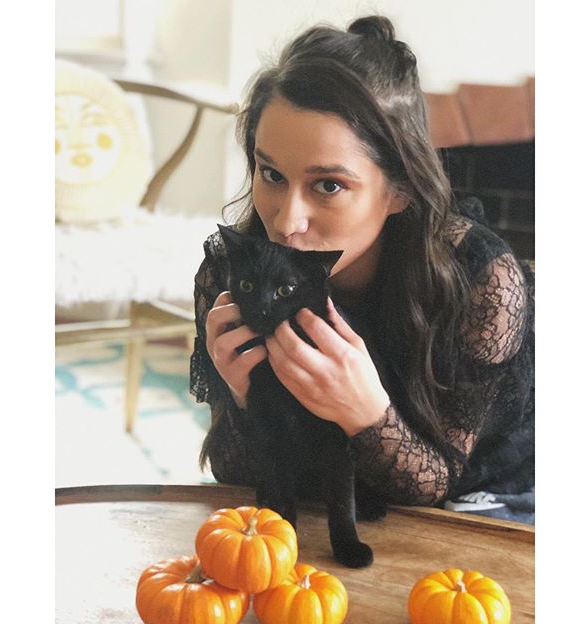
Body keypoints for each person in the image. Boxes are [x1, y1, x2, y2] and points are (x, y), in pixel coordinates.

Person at [189, 15, 534, 524]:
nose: (287, 222)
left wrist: (364, 412)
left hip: (482, 500)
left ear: (399, 191)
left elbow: (436, 489)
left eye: (328, 185)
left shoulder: (480, 281)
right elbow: (236, 477)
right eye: (271, 174)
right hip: (331, 501)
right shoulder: (234, 272)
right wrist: (243, 399)